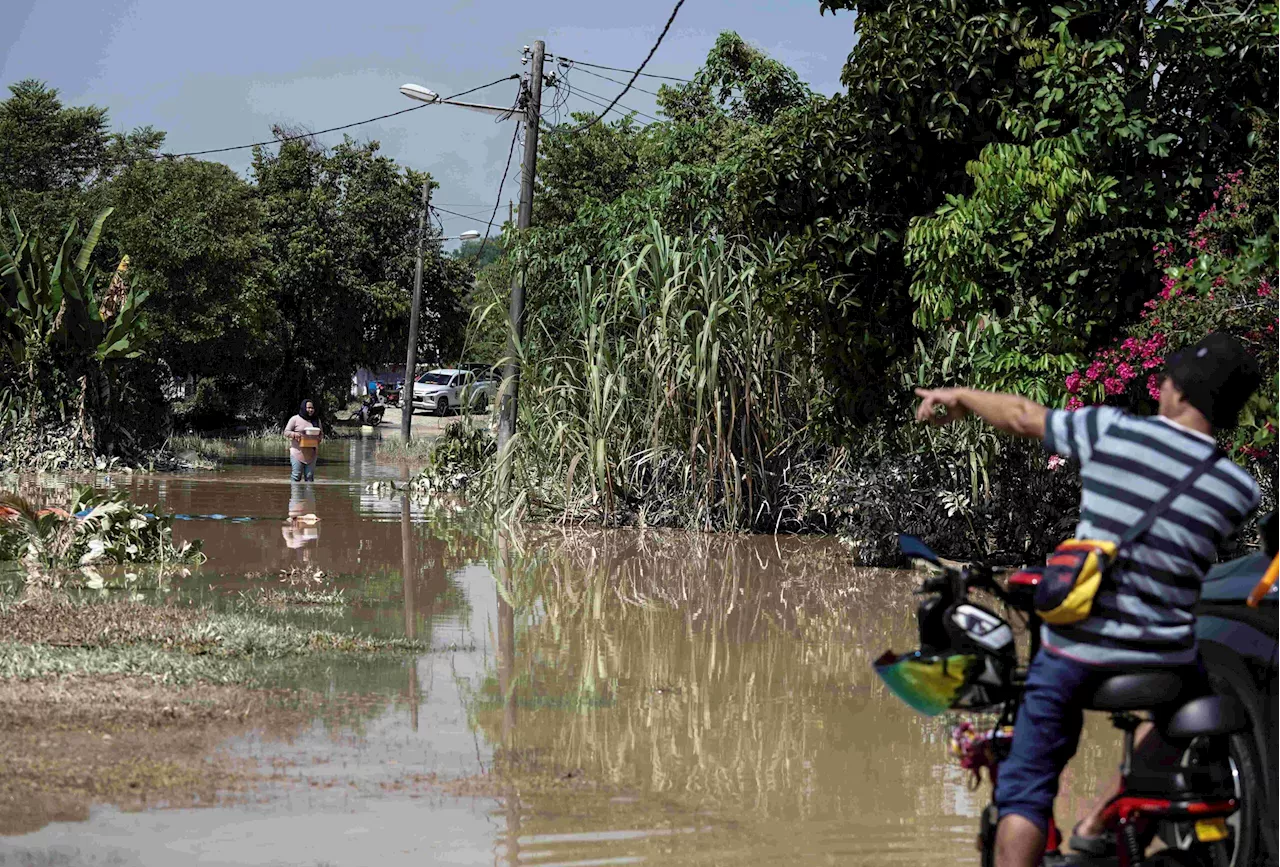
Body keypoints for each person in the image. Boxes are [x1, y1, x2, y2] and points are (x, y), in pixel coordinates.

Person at [913, 332, 1261, 867]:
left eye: (1165, 379)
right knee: (1188, 691)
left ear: (1178, 394)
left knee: (1025, 791)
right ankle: (1104, 814)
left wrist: (959, 396)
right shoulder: (1239, 490)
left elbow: (1023, 415)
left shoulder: (1112, 432)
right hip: (1166, 658)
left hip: (1078, 655)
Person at [284, 398, 322, 482]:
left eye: (312, 408)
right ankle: (295, 494)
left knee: (309, 477)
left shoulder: (316, 420)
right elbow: (286, 432)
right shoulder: (295, 419)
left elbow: (321, 434)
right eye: (308, 408)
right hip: (297, 453)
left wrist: (318, 439)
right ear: (303, 408)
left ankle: (309, 495)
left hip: (312, 453)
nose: (311, 410)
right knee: (296, 476)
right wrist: (295, 434)